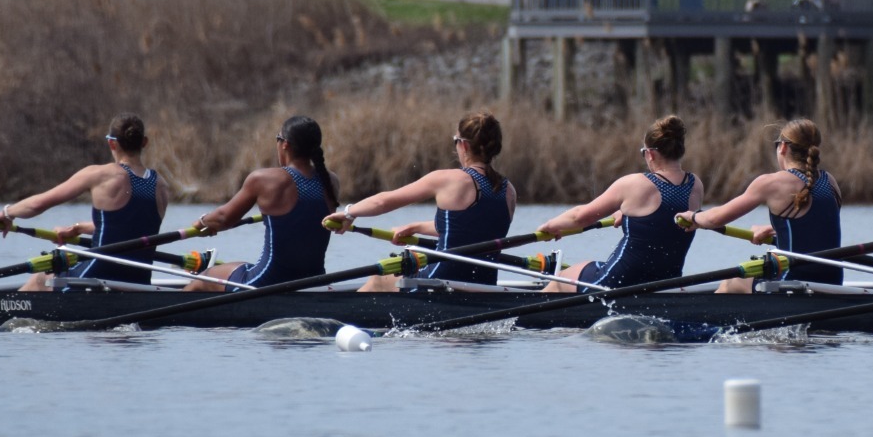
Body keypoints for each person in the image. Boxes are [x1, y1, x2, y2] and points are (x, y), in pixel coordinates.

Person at [332, 111, 518, 293]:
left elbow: (383, 202)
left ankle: (342, 313)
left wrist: (349, 213)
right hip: (485, 287)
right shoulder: (508, 190)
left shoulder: (449, 180)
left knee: (379, 279)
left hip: (440, 282)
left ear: (464, 145)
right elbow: (469, 229)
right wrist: (416, 227)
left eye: (455, 141)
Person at [0, 115, 173, 291]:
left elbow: (38, 204)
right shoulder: (161, 186)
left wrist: (7, 213)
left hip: (96, 275)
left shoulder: (101, 175)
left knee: (40, 279)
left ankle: (4, 310)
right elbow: (129, 226)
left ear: (111, 143)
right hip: (139, 282)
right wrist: (78, 228)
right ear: (144, 142)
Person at [538, 114, 701, 291]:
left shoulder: (635, 184)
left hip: (616, 284)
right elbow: (663, 217)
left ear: (650, 154)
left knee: (560, 280)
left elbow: (581, 217)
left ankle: (530, 309)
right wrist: (628, 212)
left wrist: (551, 225)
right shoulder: (695, 185)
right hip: (667, 285)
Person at [680, 118, 842, 294]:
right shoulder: (829, 181)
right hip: (832, 282)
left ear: (783, 147)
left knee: (731, 283)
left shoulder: (772, 183)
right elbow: (816, 226)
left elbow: (714, 219)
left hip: (793, 283)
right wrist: (774, 229)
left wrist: (694, 217)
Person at [184, 116, 339, 291]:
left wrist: (203, 222)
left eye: (277, 138)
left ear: (285, 144)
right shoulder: (331, 181)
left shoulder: (265, 179)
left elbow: (223, 218)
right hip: (315, 283)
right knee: (240, 265)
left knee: (201, 280)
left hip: (265, 283)